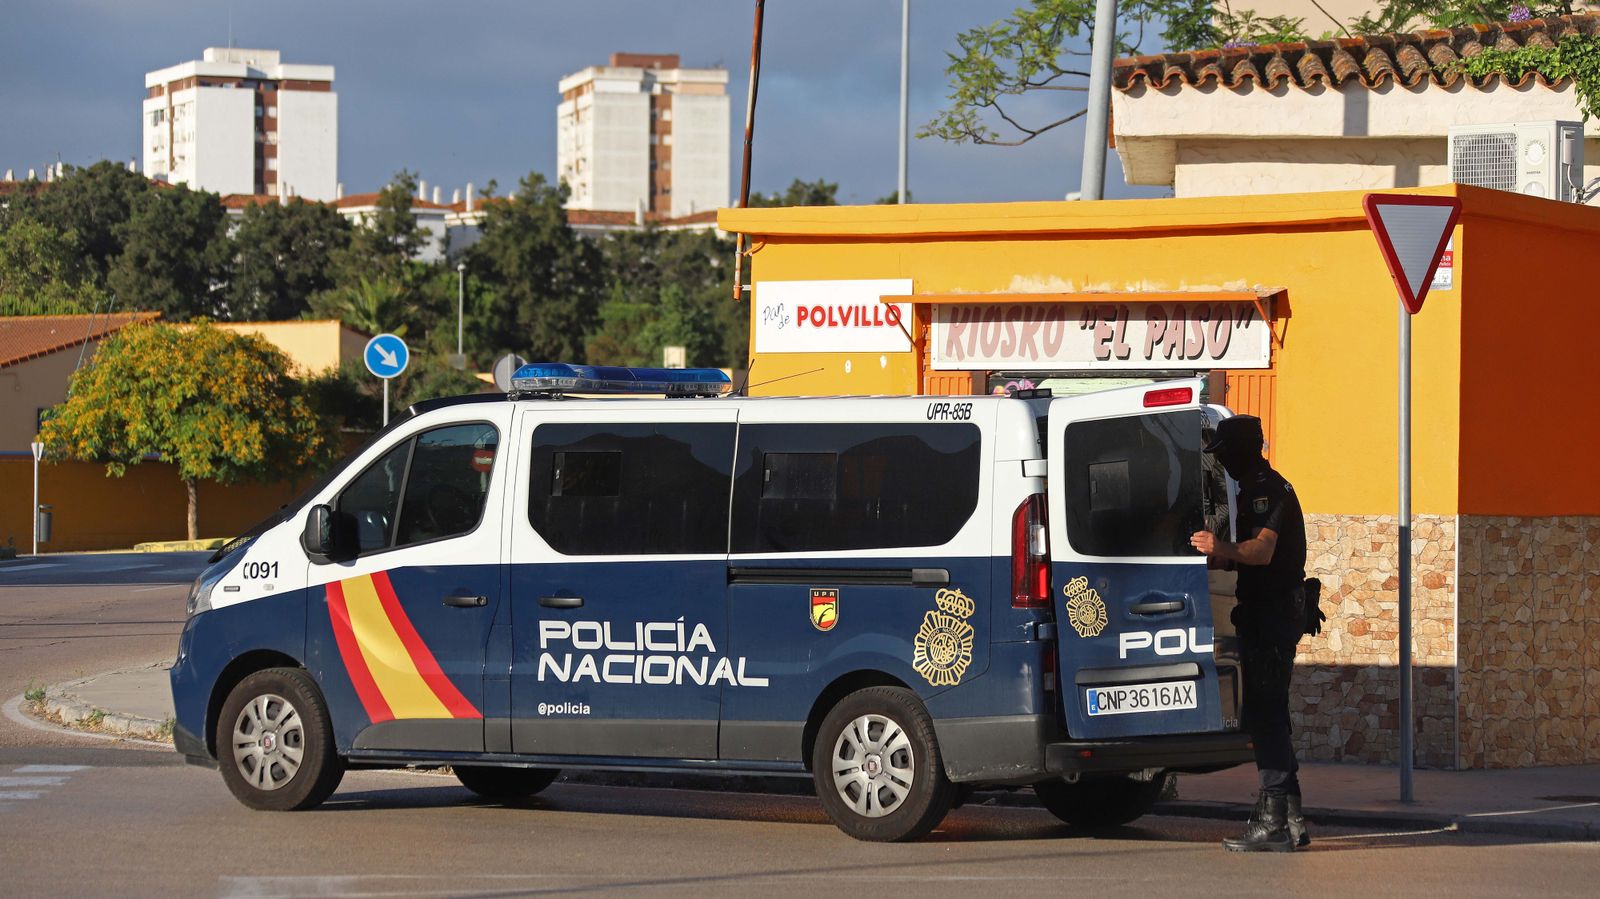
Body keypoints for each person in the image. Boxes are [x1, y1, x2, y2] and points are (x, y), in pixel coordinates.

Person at [1188, 415, 1309, 853]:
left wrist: (1219, 547)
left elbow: (1262, 550)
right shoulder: (1260, 485)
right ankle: (1292, 818)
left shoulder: (1264, 489)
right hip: (1270, 612)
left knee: (1265, 716)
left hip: (1271, 617)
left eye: (1224, 454)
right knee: (1271, 713)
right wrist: (1224, 559)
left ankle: (1272, 821)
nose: (1222, 463)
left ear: (1240, 451)